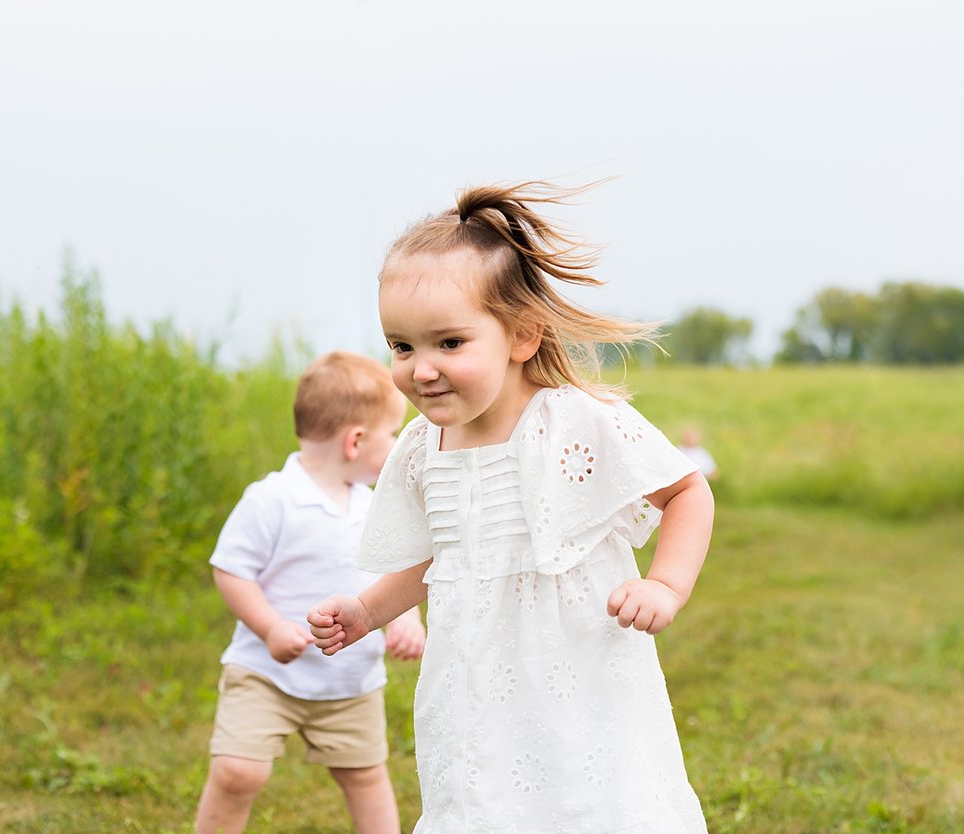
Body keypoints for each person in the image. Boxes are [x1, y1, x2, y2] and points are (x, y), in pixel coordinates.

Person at [308, 182, 715, 832]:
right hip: (473, 679)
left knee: (587, 801)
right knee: (484, 797)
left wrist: (666, 585)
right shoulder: (420, 447)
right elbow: (442, 554)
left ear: (521, 337)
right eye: (402, 346)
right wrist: (365, 611)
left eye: (449, 343)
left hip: (576, 671)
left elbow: (685, 489)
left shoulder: (576, 421)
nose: (421, 369)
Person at [193, 352, 425, 834]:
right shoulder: (272, 499)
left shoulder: (375, 507)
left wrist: (405, 619)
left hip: (349, 685)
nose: (397, 445)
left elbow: (397, 573)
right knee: (239, 772)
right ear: (355, 440)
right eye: (392, 434)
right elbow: (231, 570)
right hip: (266, 673)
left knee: (365, 776)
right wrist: (270, 627)